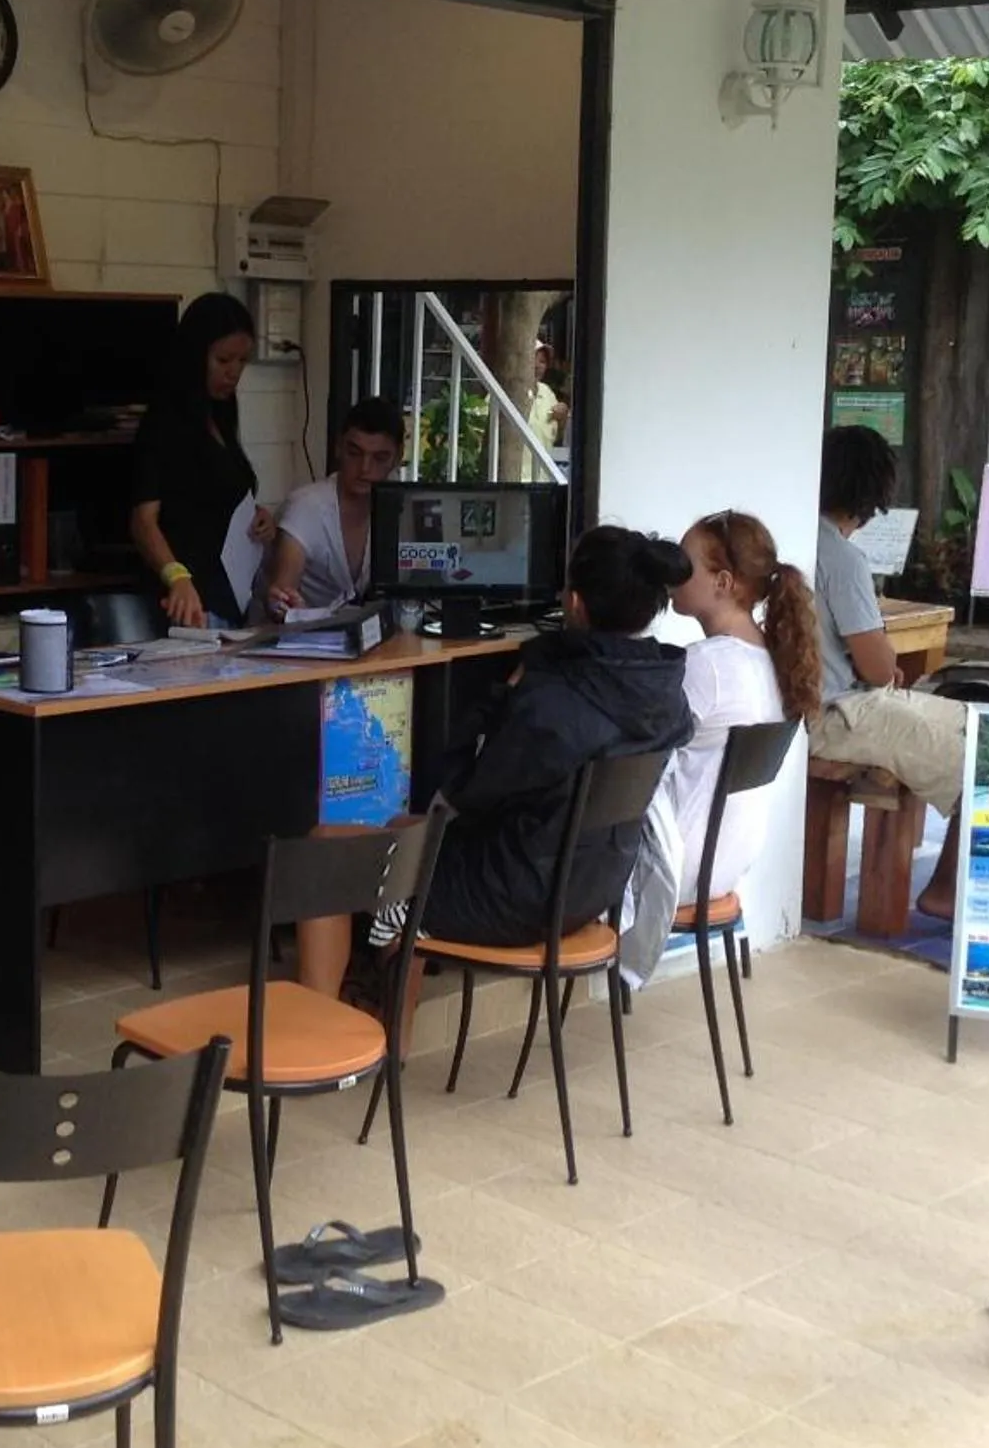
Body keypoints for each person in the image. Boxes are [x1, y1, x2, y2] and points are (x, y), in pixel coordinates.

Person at [296, 527, 695, 1003]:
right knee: (403, 829)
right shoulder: (664, 695)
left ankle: (320, 1023)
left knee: (325, 850)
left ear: (574, 603)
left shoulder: (552, 704)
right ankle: (391, 1034)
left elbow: (466, 792)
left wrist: (503, 696)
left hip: (512, 895)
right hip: (590, 890)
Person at [808, 424, 969, 918]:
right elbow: (879, 668)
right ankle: (946, 887)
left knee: (966, 724)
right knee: (976, 752)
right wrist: (885, 665)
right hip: (835, 714)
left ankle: (948, 883)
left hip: (816, 705)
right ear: (870, 497)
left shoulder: (789, 534)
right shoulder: (841, 558)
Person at [661, 509, 823, 908]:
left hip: (675, 865)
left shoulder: (706, 665)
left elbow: (634, 753)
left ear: (722, 582)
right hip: (727, 863)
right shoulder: (776, 660)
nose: (670, 573)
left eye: (682, 564)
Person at [131, 293, 274, 628]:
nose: (233, 373)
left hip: (230, 596)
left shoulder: (220, 415)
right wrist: (176, 576)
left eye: (242, 361)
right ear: (195, 356)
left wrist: (258, 516)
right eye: (223, 360)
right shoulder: (164, 422)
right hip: (188, 602)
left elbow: (221, 496)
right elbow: (143, 520)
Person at [263, 398, 403, 615]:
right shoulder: (306, 506)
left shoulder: (402, 507)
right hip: (303, 633)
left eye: (379, 458)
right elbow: (282, 591)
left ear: (398, 457)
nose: (365, 468)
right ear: (338, 447)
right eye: (354, 453)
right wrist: (286, 606)